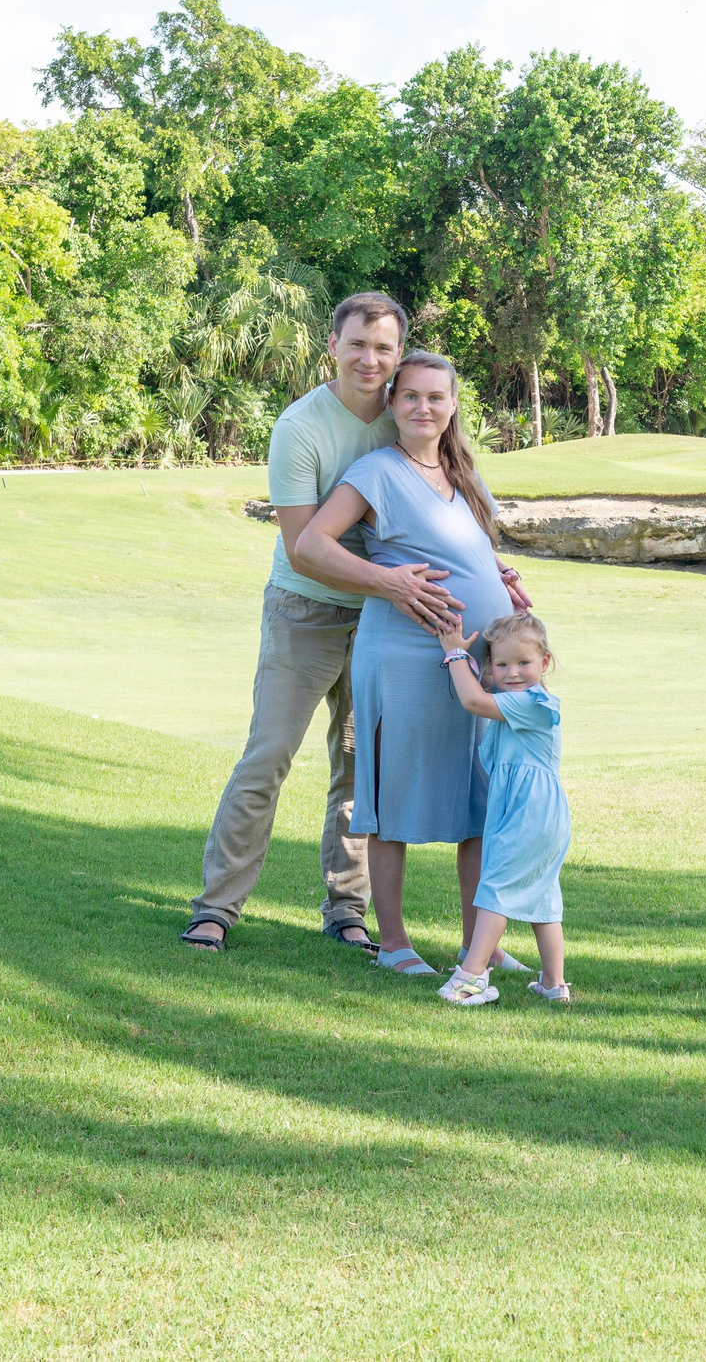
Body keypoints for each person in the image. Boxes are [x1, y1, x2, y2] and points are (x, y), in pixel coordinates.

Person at [182, 292, 444, 956]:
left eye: (384, 348)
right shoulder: (301, 426)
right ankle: (216, 908)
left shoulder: (402, 416)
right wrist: (390, 582)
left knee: (359, 771)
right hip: (303, 610)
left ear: (398, 354)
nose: (370, 359)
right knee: (267, 757)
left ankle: (346, 907)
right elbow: (304, 546)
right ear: (332, 345)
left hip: (382, 622)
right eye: (358, 344)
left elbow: (441, 501)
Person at [292, 351, 531, 976]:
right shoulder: (375, 472)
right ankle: (394, 943)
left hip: (475, 658)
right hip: (402, 655)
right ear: (394, 404)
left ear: (453, 406)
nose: (424, 407)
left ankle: (479, 941)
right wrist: (388, 581)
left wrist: (501, 580)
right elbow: (310, 542)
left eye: (437, 397)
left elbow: (472, 552)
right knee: (391, 799)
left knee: (480, 799)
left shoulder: (467, 476)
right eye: (411, 396)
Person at [433, 611, 571, 1008]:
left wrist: (455, 654)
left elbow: (474, 700)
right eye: (501, 664)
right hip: (532, 810)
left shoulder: (532, 702)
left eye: (523, 663)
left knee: (495, 887)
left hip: (530, 811)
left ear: (544, 663)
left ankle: (470, 977)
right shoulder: (516, 700)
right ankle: (553, 983)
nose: (512, 673)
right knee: (543, 896)